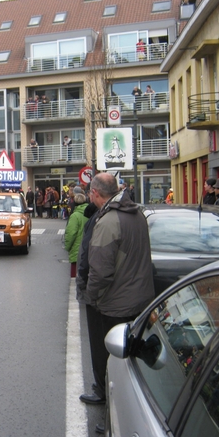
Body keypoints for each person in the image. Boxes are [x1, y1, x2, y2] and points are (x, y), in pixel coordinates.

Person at [76, 173, 154, 416]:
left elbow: (100, 271)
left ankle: (109, 405)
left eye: (91, 193)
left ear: (96, 194)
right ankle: (114, 401)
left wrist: (90, 296)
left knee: (108, 358)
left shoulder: (109, 221)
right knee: (127, 358)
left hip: (112, 303)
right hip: (136, 298)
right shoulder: (136, 214)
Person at [64, 192, 89, 278]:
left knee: (75, 277)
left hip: (76, 249)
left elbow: (71, 233)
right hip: (88, 249)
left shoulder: (75, 216)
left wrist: (67, 247)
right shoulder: (90, 213)